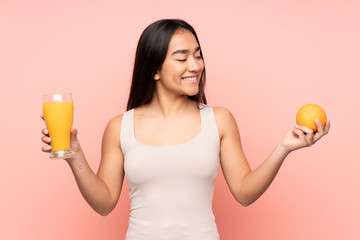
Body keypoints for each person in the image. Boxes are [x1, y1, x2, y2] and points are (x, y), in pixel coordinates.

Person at [41, 19, 330, 239]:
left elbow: (244, 192)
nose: (195, 65)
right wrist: (73, 154)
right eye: (181, 58)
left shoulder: (219, 120)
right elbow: (104, 203)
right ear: (154, 70)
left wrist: (285, 147)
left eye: (198, 55)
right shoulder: (120, 127)